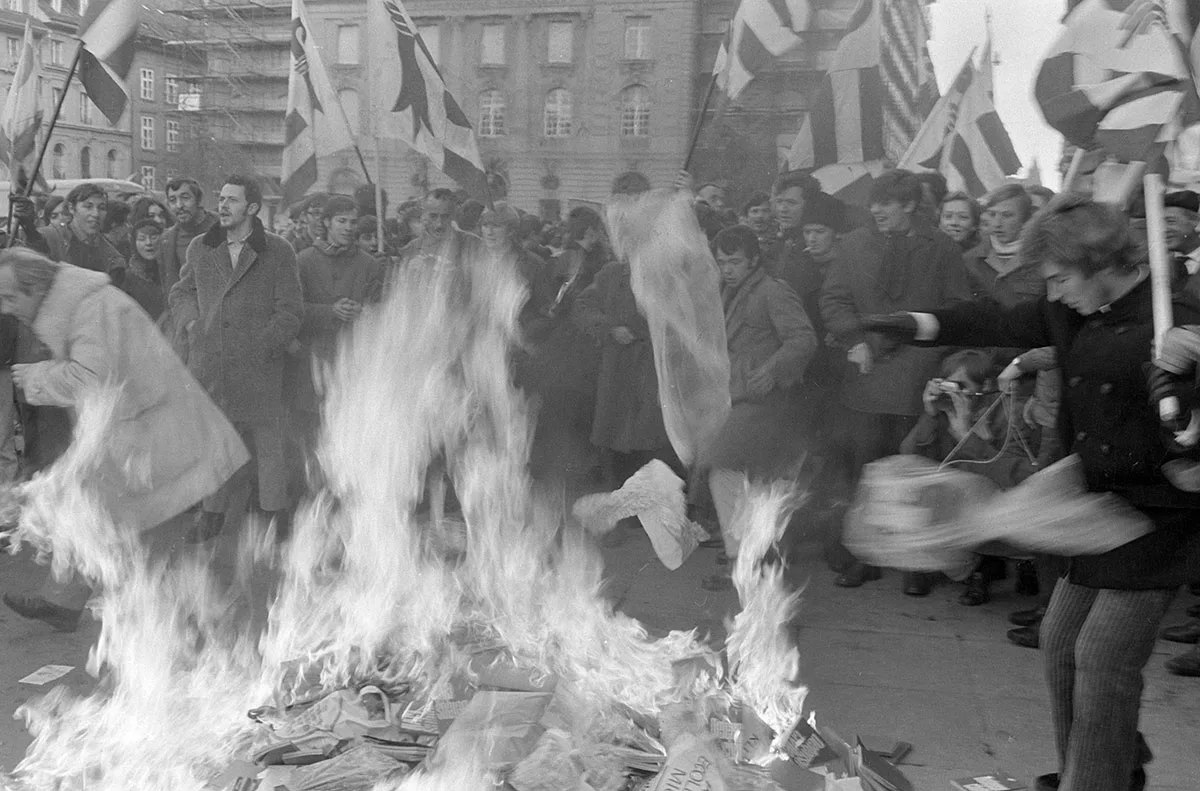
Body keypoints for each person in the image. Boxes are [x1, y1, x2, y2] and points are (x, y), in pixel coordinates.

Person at [859, 194, 1200, 791]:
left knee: (1101, 657)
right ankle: (1103, 765)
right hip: (1093, 501)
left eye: (1062, 278)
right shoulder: (1072, 306)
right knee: (1061, 638)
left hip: (1158, 514)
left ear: (1102, 264)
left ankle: (1094, 781)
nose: (1056, 292)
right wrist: (914, 325)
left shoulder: (1178, 311)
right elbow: (997, 321)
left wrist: (1194, 366)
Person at [0, 248, 247, 631]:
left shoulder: (89, 310)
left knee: (149, 535)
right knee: (92, 514)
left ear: (36, 290)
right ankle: (66, 601)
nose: (5, 307)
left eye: (9, 296)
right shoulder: (81, 304)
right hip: (138, 432)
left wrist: (37, 376)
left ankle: (195, 619)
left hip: (158, 435)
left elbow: (89, 381)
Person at [819, 168, 970, 595]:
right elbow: (834, 298)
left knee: (914, 472)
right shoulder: (854, 244)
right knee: (865, 470)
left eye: (887, 203)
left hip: (919, 374)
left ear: (909, 205)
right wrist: (856, 337)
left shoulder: (940, 247)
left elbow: (958, 310)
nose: (876, 210)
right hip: (866, 375)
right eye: (874, 202)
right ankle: (864, 557)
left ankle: (917, 563)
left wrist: (927, 349)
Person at [168, 174, 303, 543]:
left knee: (268, 445)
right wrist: (192, 322)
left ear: (253, 208)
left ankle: (275, 518)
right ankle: (211, 516)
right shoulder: (201, 246)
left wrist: (261, 347)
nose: (222, 206)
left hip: (260, 367)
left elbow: (290, 312)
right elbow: (181, 293)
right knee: (214, 443)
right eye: (220, 198)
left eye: (232, 200)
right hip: (210, 364)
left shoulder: (277, 250)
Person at [700, 226, 816, 590]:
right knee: (747, 479)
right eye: (722, 262)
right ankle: (752, 560)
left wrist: (772, 369)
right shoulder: (729, 290)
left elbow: (803, 339)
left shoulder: (772, 291)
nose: (728, 269)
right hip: (740, 397)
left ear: (753, 259)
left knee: (723, 467)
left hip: (768, 402)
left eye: (734, 261)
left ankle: (745, 561)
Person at [288, 195, 381, 488]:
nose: (349, 228)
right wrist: (328, 311)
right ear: (326, 223)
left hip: (354, 362)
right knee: (314, 436)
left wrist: (363, 312)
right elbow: (291, 310)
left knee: (351, 433)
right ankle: (315, 497)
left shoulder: (369, 264)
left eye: (353, 222)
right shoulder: (303, 261)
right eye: (342, 221)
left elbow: (382, 308)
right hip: (313, 363)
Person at [123, 219, 165, 319]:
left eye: (153, 237)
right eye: (142, 239)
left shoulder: (174, 269)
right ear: (134, 243)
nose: (148, 243)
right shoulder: (127, 278)